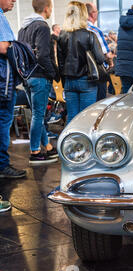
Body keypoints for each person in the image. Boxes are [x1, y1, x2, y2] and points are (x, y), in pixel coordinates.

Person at [18, 0, 59, 165]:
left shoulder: (23, 28)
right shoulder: (42, 26)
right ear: (47, 8)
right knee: (38, 115)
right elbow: (43, 55)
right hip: (40, 76)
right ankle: (35, 151)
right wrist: (52, 73)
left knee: (37, 115)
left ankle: (47, 147)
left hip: (27, 77)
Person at [57, 1, 105, 124]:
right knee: (86, 118)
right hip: (87, 81)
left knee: (72, 117)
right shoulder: (90, 35)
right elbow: (100, 59)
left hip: (69, 82)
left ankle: (70, 143)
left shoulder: (61, 36)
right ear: (83, 14)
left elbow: (61, 63)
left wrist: (65, 82)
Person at [0, 0, 25, 213]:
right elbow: (3, 46)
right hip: (2, 83)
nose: (14, 1)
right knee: (2, 122)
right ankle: (2, 164)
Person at [86, 2, 113, 101]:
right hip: (97, 73)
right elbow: (107, 55)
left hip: (83, 74)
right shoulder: (95, 31)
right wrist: (111, 64)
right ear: (92, 13)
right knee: (99, 104)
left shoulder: (77, 30)